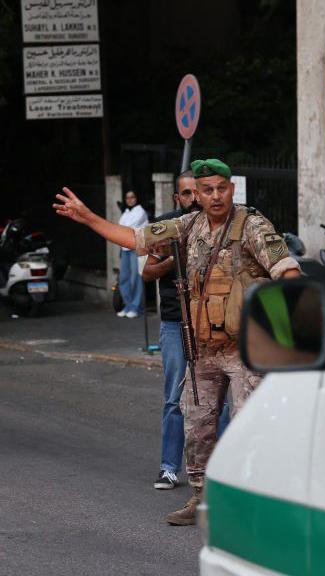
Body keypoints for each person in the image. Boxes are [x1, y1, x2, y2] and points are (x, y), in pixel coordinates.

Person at [53, 158, 301, 526]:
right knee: (197, 424)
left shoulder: (253, 226)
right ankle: (201, 500)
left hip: (246, 349)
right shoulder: (187, 226)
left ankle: (257, 502)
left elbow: (289, 274)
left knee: (250, 426)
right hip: (202, 349)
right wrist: (89, 217)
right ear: (196, 195)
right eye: (207, 190)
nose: (216, 196)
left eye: (222, 187)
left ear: (232, 189)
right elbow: (136, 239)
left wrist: (287, 330)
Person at [141, 171, 229, 491]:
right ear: (177, 198)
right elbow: (148, 273)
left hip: (210, 322)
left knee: (218, 396)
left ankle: (224, 467)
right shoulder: (166, 227)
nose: (194, 198)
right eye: (187, 193)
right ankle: (168, 468)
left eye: (199, 192)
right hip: (175, 321)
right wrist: (173, 257)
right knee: (175, 397)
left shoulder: (220, 225)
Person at [116, 190, 148, 318]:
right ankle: (128, 305)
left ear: (137, 198)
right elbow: (120, 227)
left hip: (136, 248)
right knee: (124, 278)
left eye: (132, 197)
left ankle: (136, 307)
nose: (130, 200)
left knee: (136, 277)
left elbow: (128, 227)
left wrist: (122, 228)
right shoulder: (126, 213)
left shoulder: (140, 212)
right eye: (127, 197)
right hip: (124, 248)